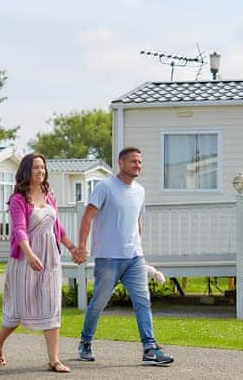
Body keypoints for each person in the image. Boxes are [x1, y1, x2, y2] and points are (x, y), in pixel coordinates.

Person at [72, 147, 174, 366]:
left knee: (143, 302)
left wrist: (139, 247)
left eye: (140, 162)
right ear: (120, 163)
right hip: (108, 257)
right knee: (99, 303)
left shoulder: (140, 191)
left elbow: (137, 221)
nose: (138, 165)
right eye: (133, 162)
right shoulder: (105, 187)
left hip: (135, 257)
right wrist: (81, 246)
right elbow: (88, 217)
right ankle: (85, 342)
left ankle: (149, 348)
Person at [0, 153, 77, 372]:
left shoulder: (50, 194)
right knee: (19, 309)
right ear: (26, 171)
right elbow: (19, 229)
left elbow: (57, 227)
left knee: (52, 304)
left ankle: (54, 359)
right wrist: (29, 254)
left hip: (50, 258)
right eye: (36, 167)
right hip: (25, 259)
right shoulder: (18, 199)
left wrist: (72, 247)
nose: (40, 171)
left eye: (43, 167)